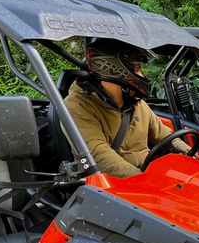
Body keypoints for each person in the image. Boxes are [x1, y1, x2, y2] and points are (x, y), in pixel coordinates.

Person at [64, 38, 189, 178]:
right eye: (137, 69)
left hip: (146, 175)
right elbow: (98, 155)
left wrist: (191, 158)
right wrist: (144, 181)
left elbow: (165, 137)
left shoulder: (137, 103)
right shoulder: (78, 106)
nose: (142, 76)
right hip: (112, 186)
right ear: (115, 69)